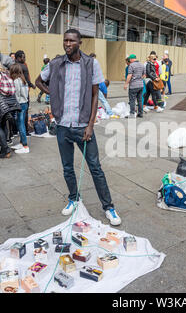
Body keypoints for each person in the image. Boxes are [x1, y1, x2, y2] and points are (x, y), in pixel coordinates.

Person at [35, 29, 121, 225]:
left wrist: (90, 125)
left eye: (71, 41)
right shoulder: (56, 63)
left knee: (95, 168)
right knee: (67, 168)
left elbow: (94, 95)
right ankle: (74, 198)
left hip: (83, 126)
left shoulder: (91, 64)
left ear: (80, 43)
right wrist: (53, 95)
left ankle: (109, 207)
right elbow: (38, 81)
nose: (67, 44)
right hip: (63, 125)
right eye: (65, 40)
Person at [9, 64, 30, 154]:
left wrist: (13, 104)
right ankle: (22, 143)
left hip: (20, 104)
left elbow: (16, 94)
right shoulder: (23, 79)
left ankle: (25, 146)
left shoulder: (16, 81)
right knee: (21, 124)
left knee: (20, 125)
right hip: (24, 103)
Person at [124, 54, 146, 118]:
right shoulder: (142, 65)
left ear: (131, 59)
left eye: (129, 60)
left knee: (132, 100)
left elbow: (129, 75)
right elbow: (144, 75)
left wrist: (126, 84)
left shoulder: (131, 65)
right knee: (139, 99)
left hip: (133, 86)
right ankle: (140, 113)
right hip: (141, 85)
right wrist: (139, 79)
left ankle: (132, 114)